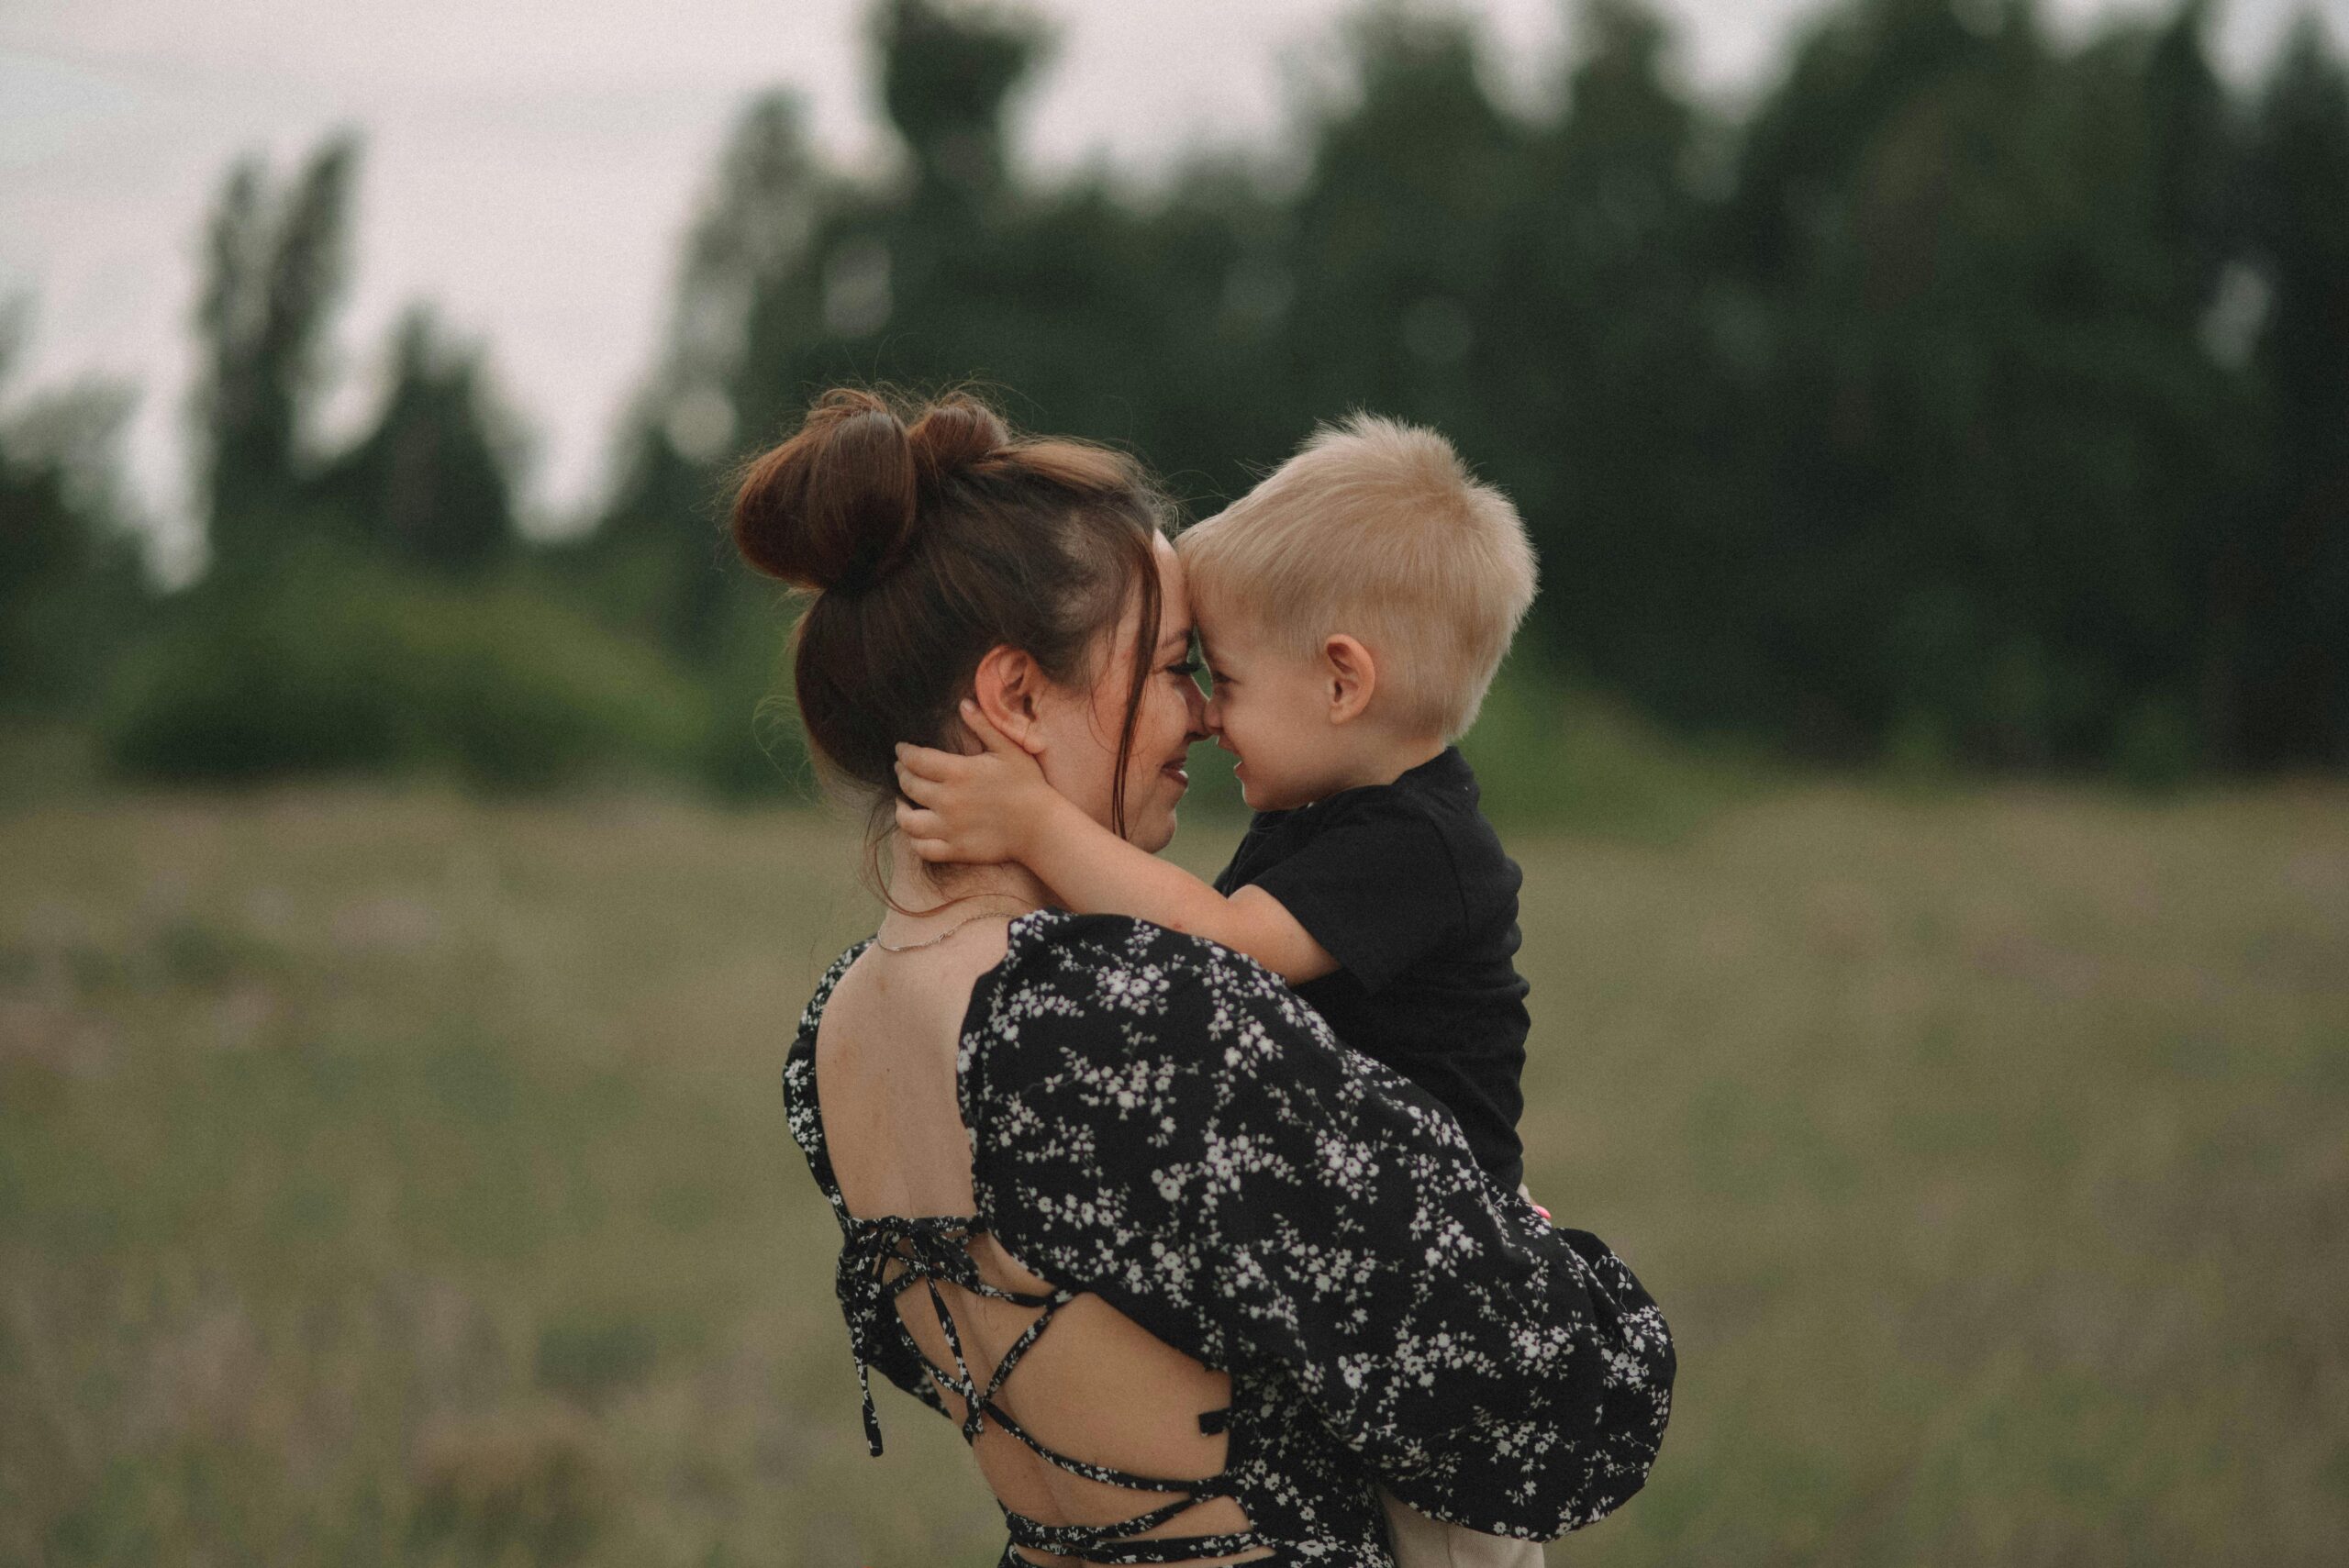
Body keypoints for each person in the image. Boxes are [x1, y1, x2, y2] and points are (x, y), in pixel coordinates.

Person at [736, 387, 1673, 1566]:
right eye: (1172, 665)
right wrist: (1560, 1269)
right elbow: (1565, 1409)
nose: (1199, 715)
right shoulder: (1135, 1016)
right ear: (1018, 698)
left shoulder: (838, 1035)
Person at [889, 414, 1553, 1566]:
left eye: (1225, 677)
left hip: (1443, 1318)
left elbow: (1218, 954)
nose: (1203, 708)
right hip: (1371, 1275)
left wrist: (1035, 821)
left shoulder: (1420, 842)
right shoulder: (1320, 823)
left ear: (1342, 679)